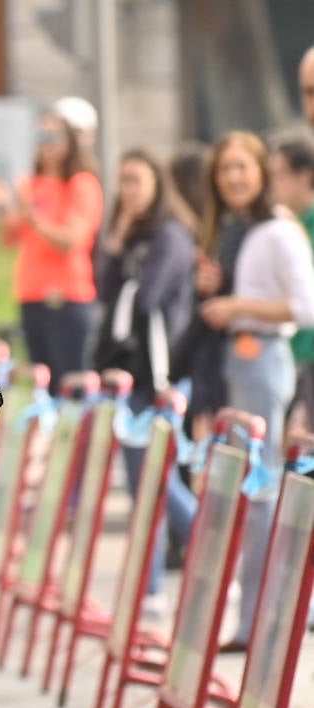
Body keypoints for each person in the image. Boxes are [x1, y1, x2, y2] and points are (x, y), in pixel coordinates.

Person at [193, 132, 314, 653]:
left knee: (262, 490)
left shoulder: (277, 231)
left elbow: (306, 307)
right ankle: (259, 615)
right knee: (251, 489)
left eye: (243, 167)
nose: (235, 178)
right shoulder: (239, 232)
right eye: (225, 170)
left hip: (263, 359)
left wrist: (238, 305)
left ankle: (263, 619)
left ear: (262, 171)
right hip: (238, 362)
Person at [92, 149, 198, 611]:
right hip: (132, 376)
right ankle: (161, 585)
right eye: (124, 181)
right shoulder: (129, 237)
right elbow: (104, 290)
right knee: (150, 484)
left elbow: (148, 295)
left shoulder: (171, 236)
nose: (129, 190)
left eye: (137, 179)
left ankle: (176, 577)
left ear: (157, 184)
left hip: (163, 376)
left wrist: (125, 269)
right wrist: (114, 244)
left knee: (154, 482)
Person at [0, 107, 104, 395]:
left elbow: (69, 240)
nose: (45, 143)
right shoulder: (32, 185)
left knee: (70, 385)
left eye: (53, 135)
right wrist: (1, 205)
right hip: (31, 294)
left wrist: (31, 211)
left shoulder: (81, 184)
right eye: (41, 135)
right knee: (42, 383)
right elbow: (8, 238)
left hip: (67, 297)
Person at [271, 135, 314, 444]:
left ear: (306, 176)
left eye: (279, 174)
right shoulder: (281, 226)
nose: (272, 183)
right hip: (288, 354)